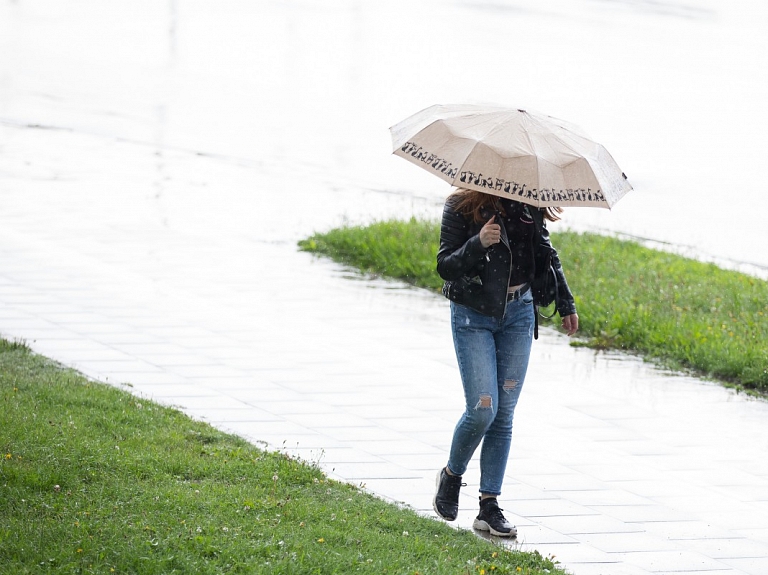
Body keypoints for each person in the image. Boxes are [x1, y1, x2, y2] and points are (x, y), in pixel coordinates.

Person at [432, 188, 579, 537]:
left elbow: (547, 254)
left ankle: (488, 506)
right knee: (484, 407)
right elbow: (445, 266)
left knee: (504, 412)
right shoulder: (460, 206)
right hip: (473, 315)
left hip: (519, 315)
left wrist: (566, 302)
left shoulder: (529, 203)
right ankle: (452, 475)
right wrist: (479, 243)